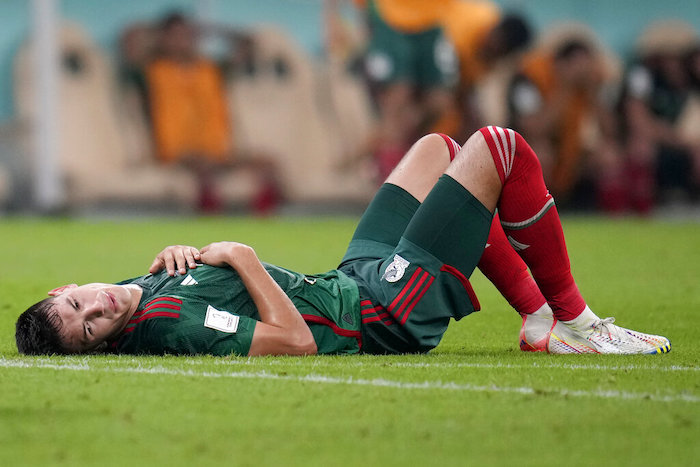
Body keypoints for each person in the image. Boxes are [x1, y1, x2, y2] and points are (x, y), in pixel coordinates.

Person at [15, 127, 671, 356]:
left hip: (348, 279)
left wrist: (177, 257)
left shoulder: (138, 289)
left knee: (438, 150)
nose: (98, 309)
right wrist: (237, 253)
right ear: (106, 344)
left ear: (63, 288)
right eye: (93, 329)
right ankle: (577, 323)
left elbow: (181, 281)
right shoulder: (169, 325)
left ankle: (538, 322)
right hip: (379, 313)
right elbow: (295, 341)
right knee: (499, 150)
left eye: (80, 306)